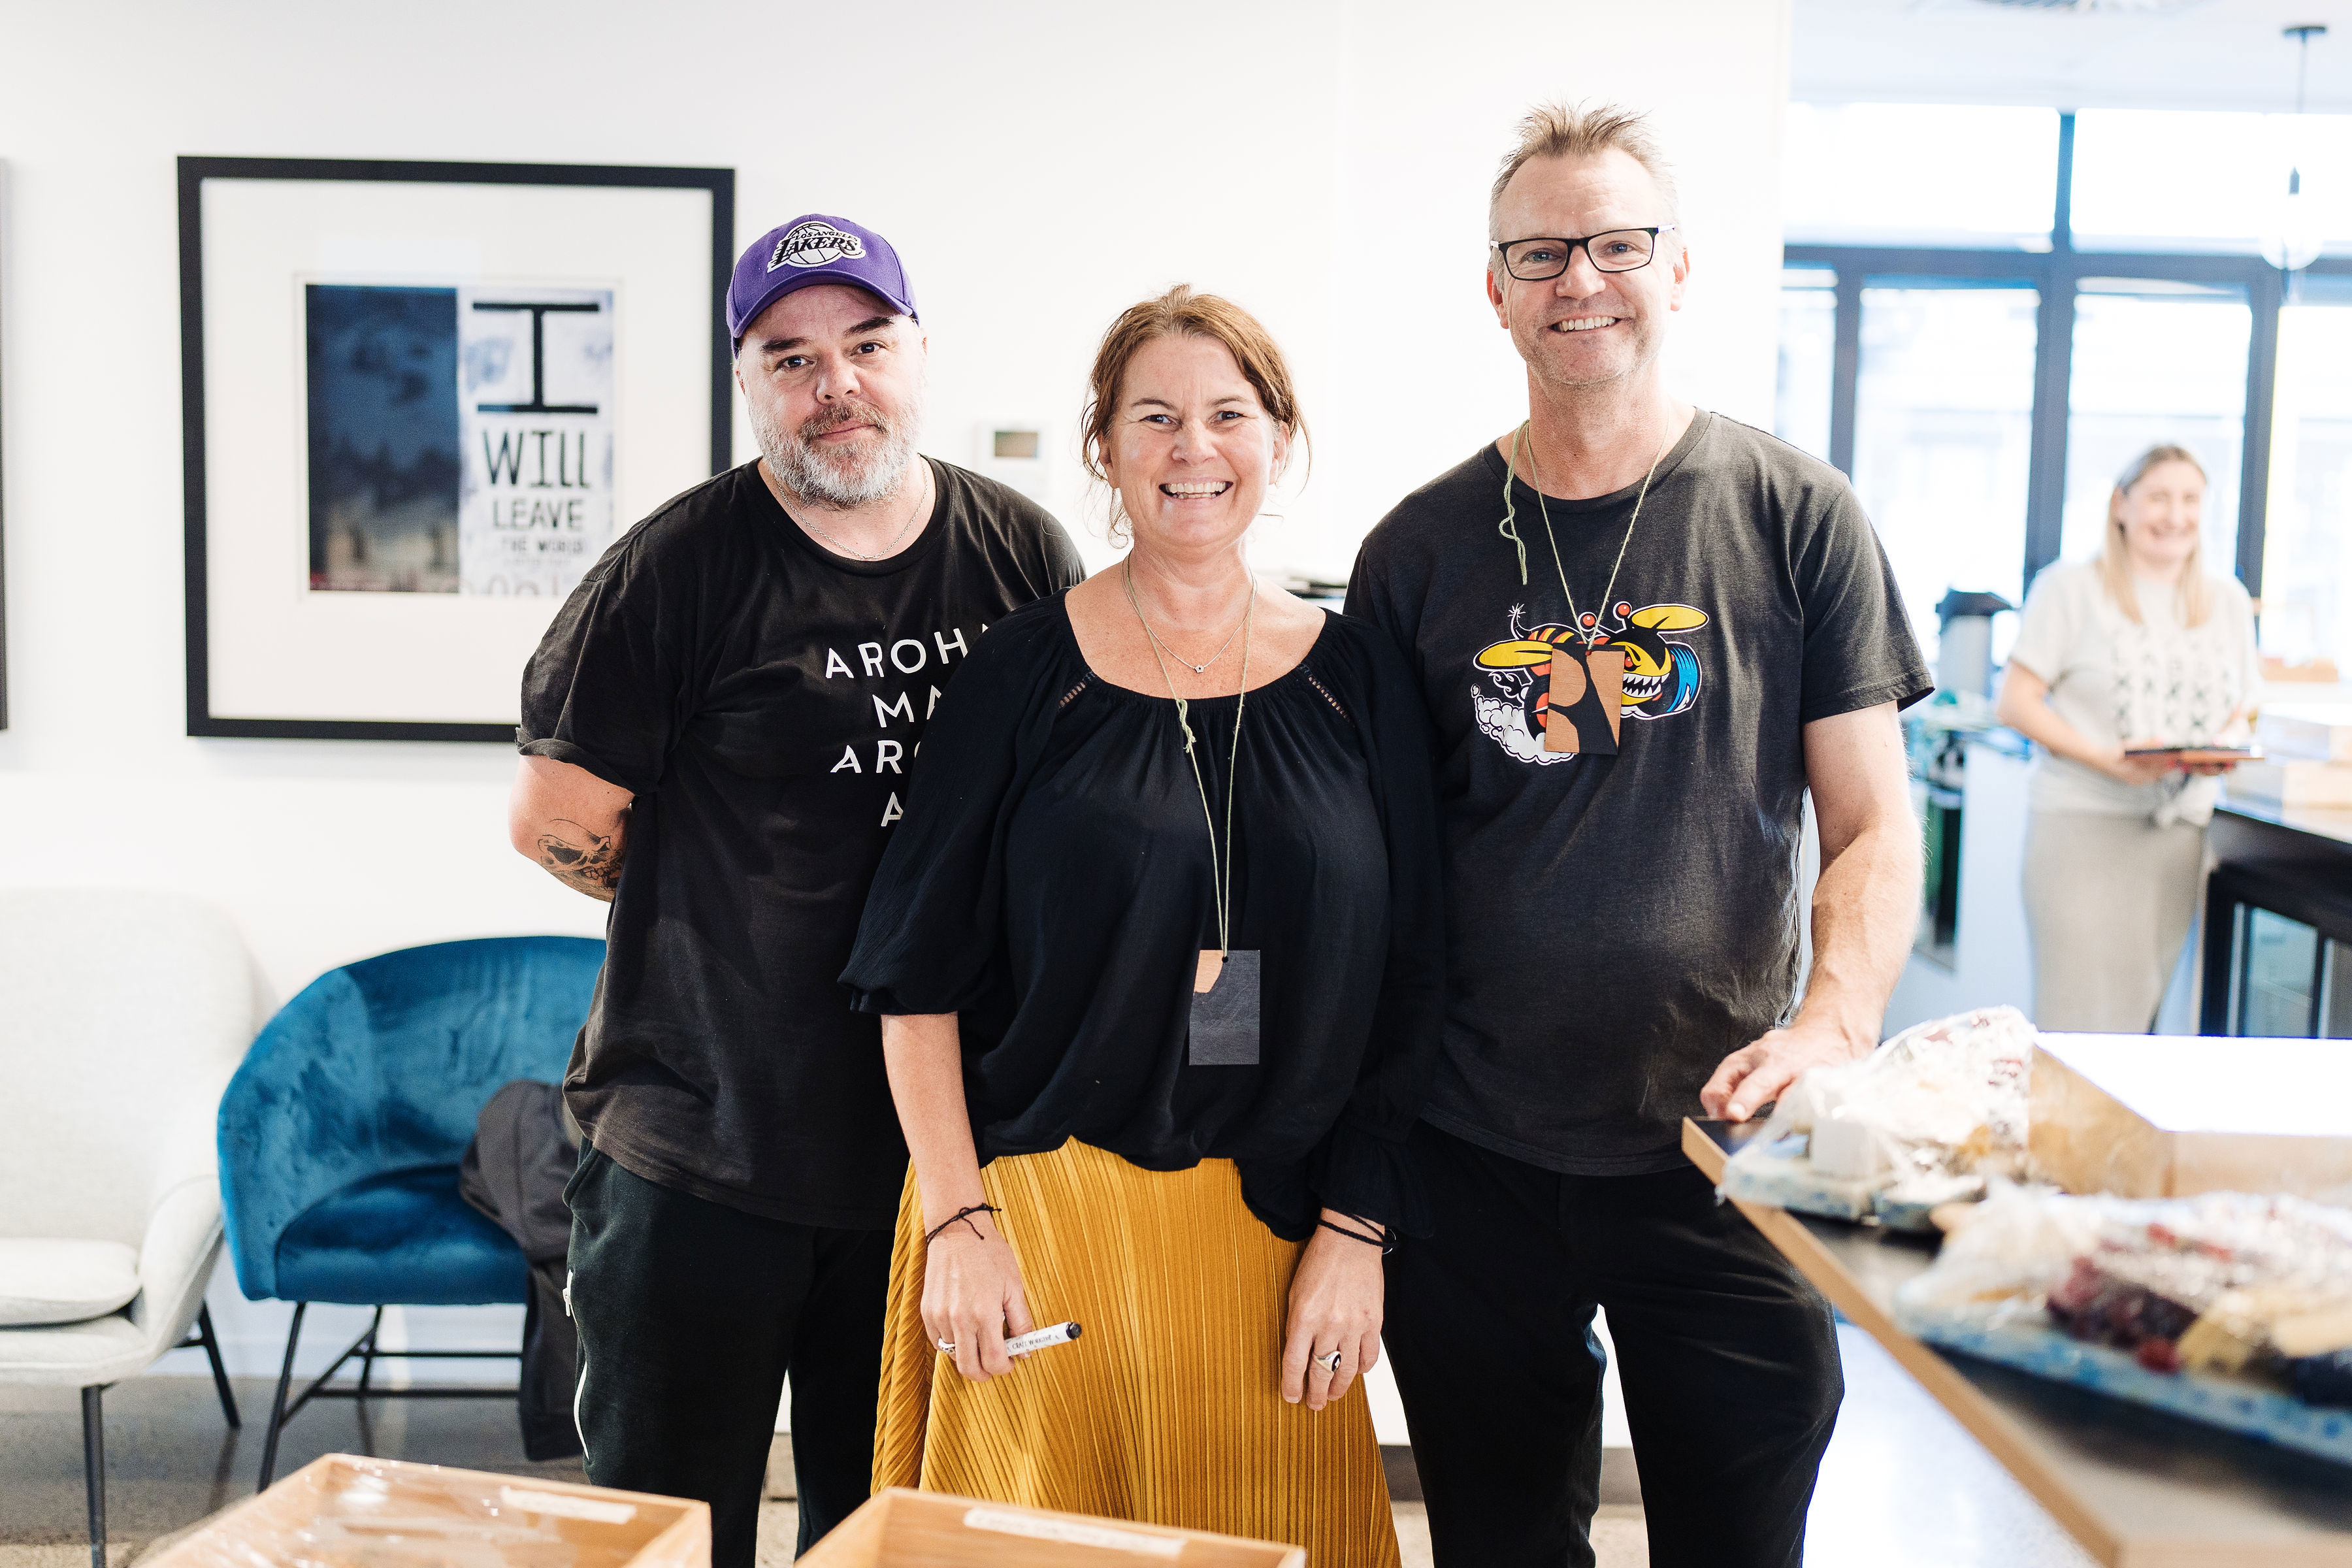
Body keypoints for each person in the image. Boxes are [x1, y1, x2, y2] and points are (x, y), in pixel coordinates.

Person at [1345, 103, 1931, 1568]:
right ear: (1496, 290)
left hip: (1722, 1141)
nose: (1580, 278)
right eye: (1541, 252)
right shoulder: (1418, 552)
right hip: (1471, 1151)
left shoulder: (1797, 514)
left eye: (1616, 243)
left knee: (1740, 1541)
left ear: (1680, 271)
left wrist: (1834, 1023)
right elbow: (1375, 879)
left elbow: (1871, 825)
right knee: (1502, 1547)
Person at [508, 214, 1084, 1565]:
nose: (837, 384)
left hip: (928, 1162)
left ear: (917, 354)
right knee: (662, 1534)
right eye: (792, 356)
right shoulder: (678, 567)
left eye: (867, 345)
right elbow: (555, 820)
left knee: (889, 1531)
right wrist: (721, 908)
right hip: (696, 1149)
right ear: (750, 380)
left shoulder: (1020, 553)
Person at [839, 286, 1443, 1568]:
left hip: (1277, 1240)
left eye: (1229, 413)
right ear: (1104, 447)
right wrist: (957, 1225)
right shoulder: (1019, 673)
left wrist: (1358, 1228)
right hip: (1041, 1219)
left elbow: (1415, 978)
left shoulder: (1362, 679)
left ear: (1280, 440)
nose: (1192, 449)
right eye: (1154, 417)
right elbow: (913, 977)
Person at [1995, 444, 2261, 1032]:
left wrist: (2222, 745)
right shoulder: (2068, 588)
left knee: (2138, 1025)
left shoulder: (2227, 601)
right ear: (2122, 505)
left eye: (2190, 500)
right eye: (2159, 497)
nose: (2175, 516)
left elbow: (2245, 703)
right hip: (2081, 829)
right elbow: (2014, 701)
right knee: (2075, 1025)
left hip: (2174, 840)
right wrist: (2105, 760)